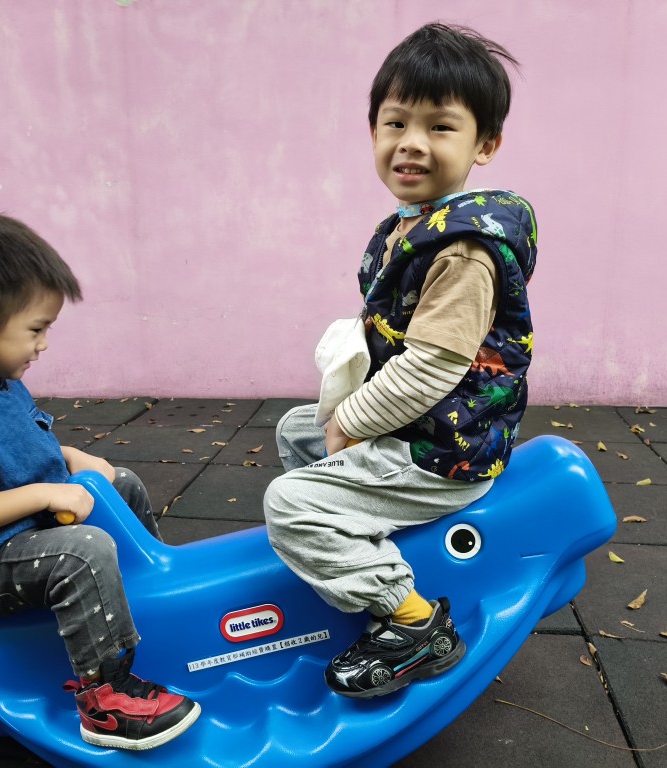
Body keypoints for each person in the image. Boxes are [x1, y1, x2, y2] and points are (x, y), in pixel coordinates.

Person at [264, 23, 537, 699]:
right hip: (429, 429)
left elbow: (430, 370)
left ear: (485, 145)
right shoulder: (414, 224)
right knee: (296, 430)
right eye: (396, 123)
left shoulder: (463, 250)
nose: (411, 142)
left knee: (288, 503)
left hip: (444, 450)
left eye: (440, 127)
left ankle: (413, 622)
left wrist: (351, 420)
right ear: (374, 131)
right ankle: (350, 545)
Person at [0, 213, 200, 749]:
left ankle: (151, 604)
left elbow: (27, 450)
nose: (44, 344)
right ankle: (106, 698)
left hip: (17, 533)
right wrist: (46, 493)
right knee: (82, 552)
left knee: (121, 485)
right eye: (35, 329)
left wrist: (71, 457)